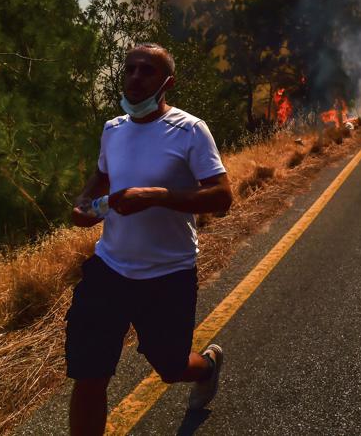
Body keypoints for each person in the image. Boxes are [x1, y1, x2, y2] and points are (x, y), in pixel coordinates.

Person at [66, 43, 234, 435]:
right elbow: (102, 176)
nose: (136, 78)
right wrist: (84, 202)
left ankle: (207, 366)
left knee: (171, 367)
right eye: (130, 70)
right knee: (90, 375)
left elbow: (223, 197)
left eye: (147, 71)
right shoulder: (113, 129)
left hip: (168, 274)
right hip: (109, 269)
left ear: (167, 83)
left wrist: (157, 196)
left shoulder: (190, 130)